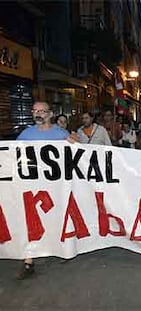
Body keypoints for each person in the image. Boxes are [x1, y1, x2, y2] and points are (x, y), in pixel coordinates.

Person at [16, 101, 74, 279]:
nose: (38, 114)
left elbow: (76, 153)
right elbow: (14, 154)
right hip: (32, 186)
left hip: (55, 187)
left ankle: (61, 248)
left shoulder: (60, 133)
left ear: (50, 114)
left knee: (56, 217)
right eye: (35, 111)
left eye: (42, 111)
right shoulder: (26, 134)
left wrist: (74, 143)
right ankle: (28, 260)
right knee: (31, 220)